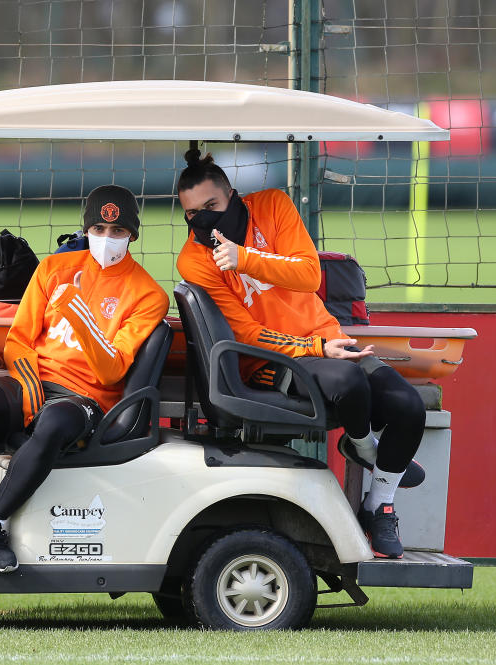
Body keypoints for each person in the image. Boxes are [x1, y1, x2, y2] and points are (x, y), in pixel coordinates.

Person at [174, 149, 425, 559]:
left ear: (232, 196)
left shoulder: (273, 205)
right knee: (347, 381)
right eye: (192, 214)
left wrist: (246, 259)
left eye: (211, 207)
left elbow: (309, 274)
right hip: (271, 361)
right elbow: (248, 334)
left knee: (408, 407)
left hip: (326, 337)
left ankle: (379, 504)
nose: (203, 220)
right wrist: (315, 348)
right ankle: (364, 449)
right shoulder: (194, 260)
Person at [0, 184, 169, 572]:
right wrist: (31, 387)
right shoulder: (53, 269)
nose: (107, 239)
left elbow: (111, 369)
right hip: (35, 381)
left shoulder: (148, 294)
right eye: (98, 230)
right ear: (86, 231)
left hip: (86, 397)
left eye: (117, 232)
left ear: (132, 234)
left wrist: (79, 316)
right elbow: (19, 340)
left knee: (55, 422)